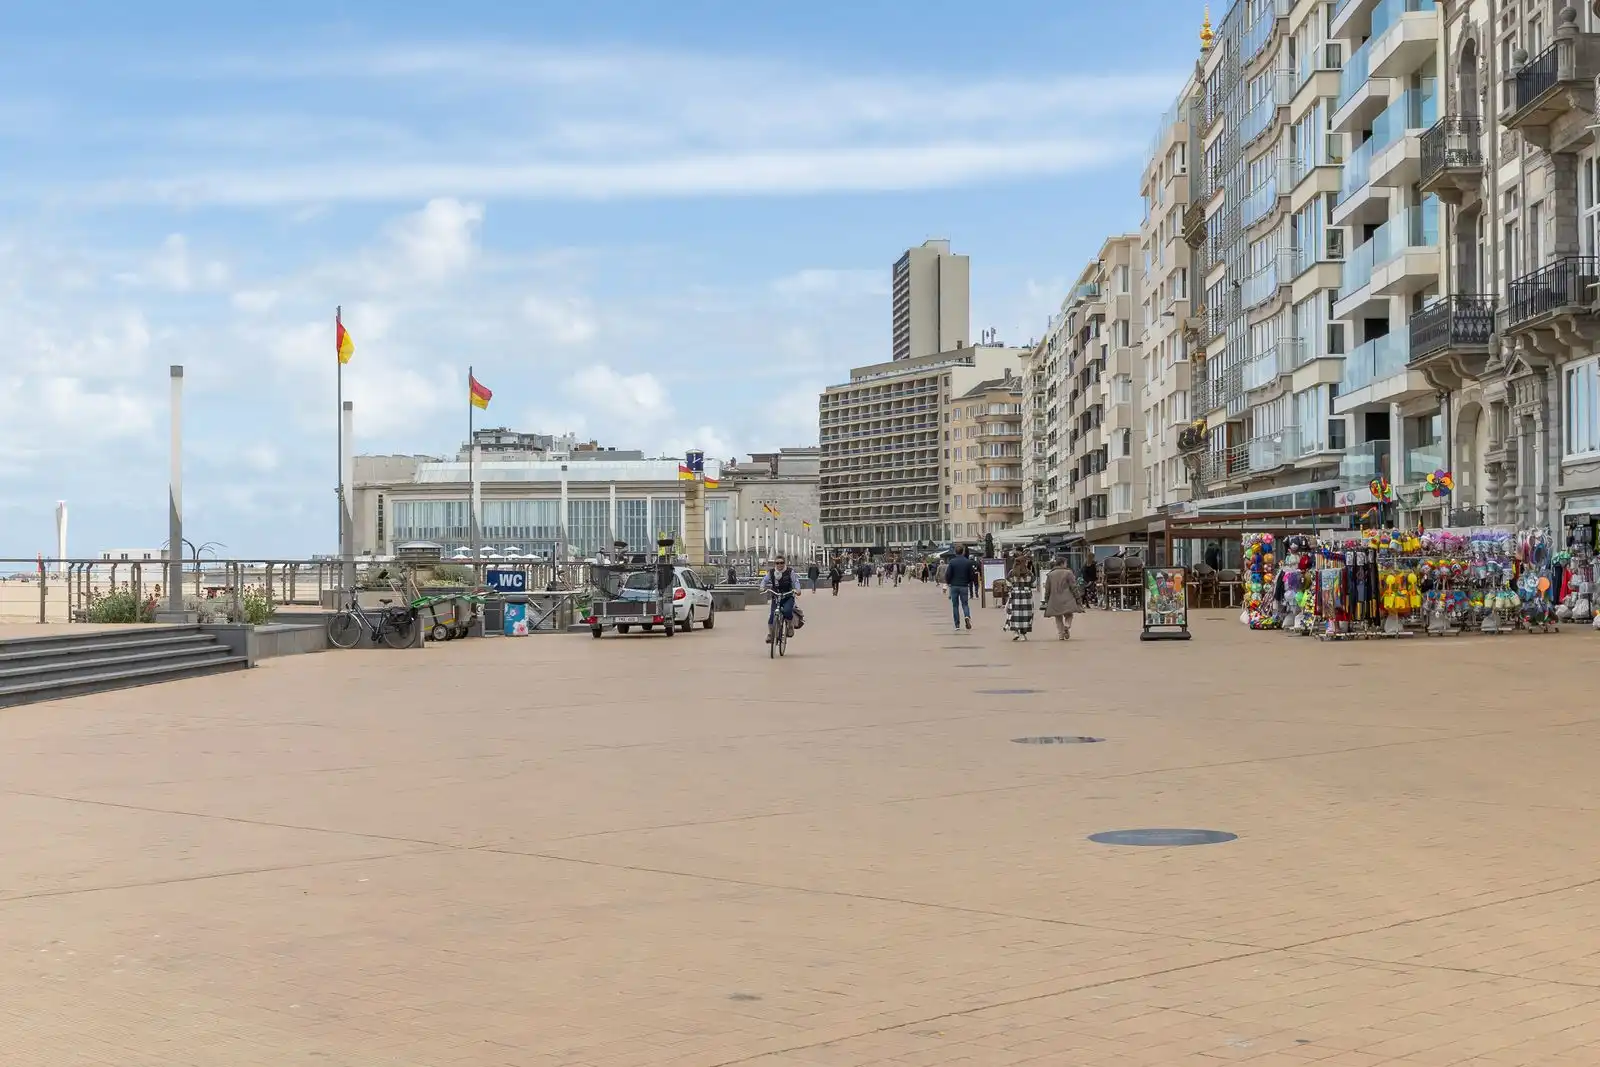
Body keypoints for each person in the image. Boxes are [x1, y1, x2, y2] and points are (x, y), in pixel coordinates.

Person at [761, 555, 802, 642]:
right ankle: (771, 634)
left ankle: (790, 626)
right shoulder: (771, 572)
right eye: (777, 563)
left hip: (788, 596)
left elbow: (796, 581)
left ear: (784, 563)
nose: (780, 565)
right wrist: (762, 587)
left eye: (782, 563)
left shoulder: (790, 571)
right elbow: (764, 580)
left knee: (787, 611)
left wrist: (798, 590)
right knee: (772, 616)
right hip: (776, 596)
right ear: (775, 564)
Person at [1042, 555, 1084, 640]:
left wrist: (1046, 600)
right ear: (1062, 564)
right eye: (1065, 563)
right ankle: (1067, 626)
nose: (1066, 565)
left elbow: (1047, 589)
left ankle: (1061, 635)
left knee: (1058, 617)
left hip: (1055, 599)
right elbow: (1073, 587)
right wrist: (1078, 598)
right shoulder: (1068, 573)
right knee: (1069, 615)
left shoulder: (1050, 574)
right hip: (1067, 598)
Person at [945, 545, 977, 631]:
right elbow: (972, 575)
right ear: (963, 552)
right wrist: (968, 582)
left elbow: (948, 574)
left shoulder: (952, 562)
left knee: (955, 606)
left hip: (954, 586)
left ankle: (957, 625)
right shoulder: (968, 562)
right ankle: (967, 616)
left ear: (955, 552)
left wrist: (949, 582)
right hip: (964, 586)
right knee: (965, 604)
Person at [1005, 554, 1036, 640]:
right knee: (1026, 614)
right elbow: (1033, 584)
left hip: (1015, 594)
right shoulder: (1029, 573)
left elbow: (1008, 583)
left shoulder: (1011, 572)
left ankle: (1015, 632)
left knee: (1014, 613)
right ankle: (1023, 633)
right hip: (1026, 595)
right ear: (1024, 563)